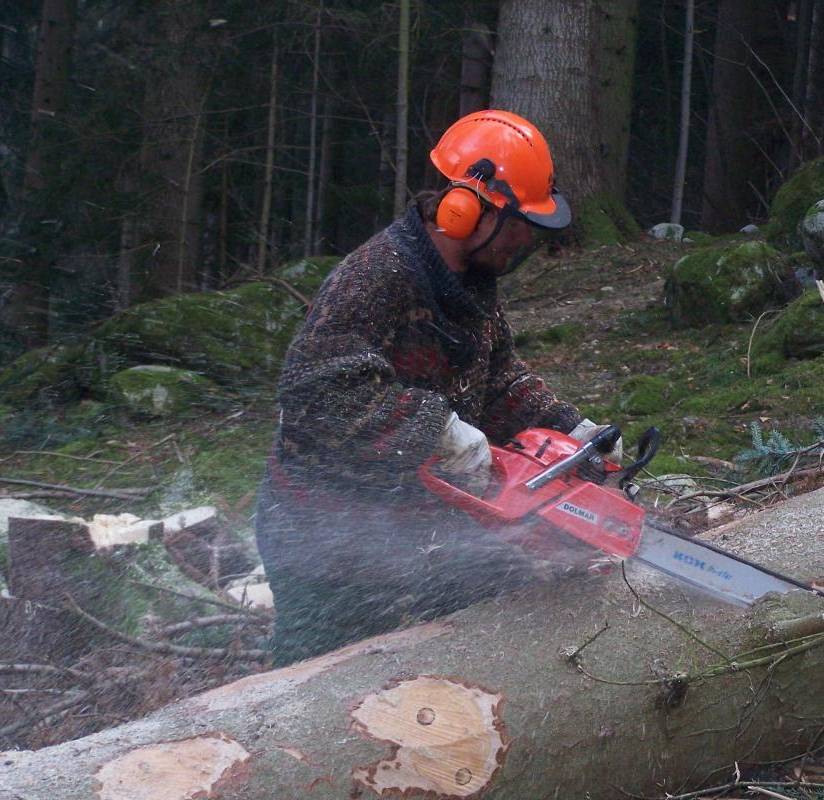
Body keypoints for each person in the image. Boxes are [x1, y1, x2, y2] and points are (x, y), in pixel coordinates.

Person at [256, 109, 613, 664]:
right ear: (465, 206)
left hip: (414, 516)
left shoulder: (471, 285)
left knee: (502, 610)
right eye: (517, 222)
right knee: (325, 673)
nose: (524, 240)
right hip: (322, 526)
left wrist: (571, 432)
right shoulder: (377, 276)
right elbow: (314, 391)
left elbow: (497, 382)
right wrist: (436, 430)